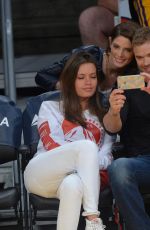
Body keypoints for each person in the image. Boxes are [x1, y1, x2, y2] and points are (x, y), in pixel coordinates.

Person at [24, 51, 114, 230]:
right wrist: (85, 162)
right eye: (81, 77)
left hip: (76, 180)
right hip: (42, 173)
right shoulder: (50, 108)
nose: (88, 82)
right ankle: (93, 219)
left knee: (73, 185)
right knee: (87, 147)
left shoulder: (105, 116)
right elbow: (51, 145)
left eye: (92, 77)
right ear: (69, 80)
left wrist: (86, 165)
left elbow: (107, 157)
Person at [103, 27, 150, 230]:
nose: (145, 62)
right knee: (119, 168)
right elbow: (112, 129)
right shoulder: (128, 82)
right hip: (143, 160)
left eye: (149, 55)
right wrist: (113, 111)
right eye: (140, 57)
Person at [35, 21, 140, 108]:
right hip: (75, 116)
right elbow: (42, 75)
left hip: (110, 123)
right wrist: (66, 86)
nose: (120, 54)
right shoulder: (89, 54)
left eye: (128, 50)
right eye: (116, 47)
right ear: (110, 41)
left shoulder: (134, 72)